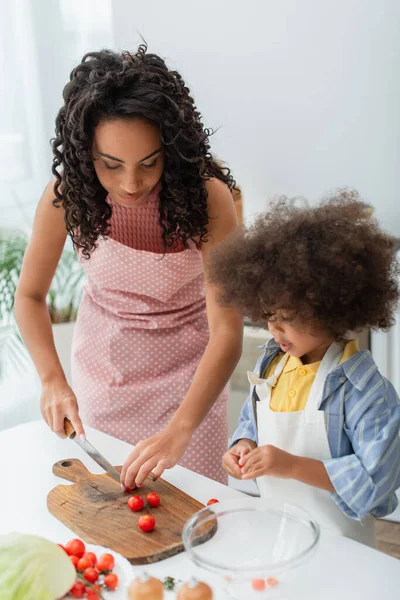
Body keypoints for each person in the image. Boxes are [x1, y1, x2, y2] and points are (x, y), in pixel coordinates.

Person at [14, 45, 243, 488]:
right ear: (85, 154)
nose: (131, 183)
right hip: (105, 376)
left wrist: (181, 428)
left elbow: (229, 331)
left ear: (171, 149)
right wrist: (52, 380)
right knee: (113, 509)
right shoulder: (66, 195)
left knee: (196, 511)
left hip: (192, 382)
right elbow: (29, 296)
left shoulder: (207, 198)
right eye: (111, 165)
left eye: (149, 163)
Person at [208, 192, 400, 546]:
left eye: (289, 318)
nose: (274, 330)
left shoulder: (366, 392)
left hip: (343, 547)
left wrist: (291, 465)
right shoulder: (273, 363)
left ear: (331, 308)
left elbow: (376, 481)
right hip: (278, 534)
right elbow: (254, 420)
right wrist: (244, 443)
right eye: (269, 316)